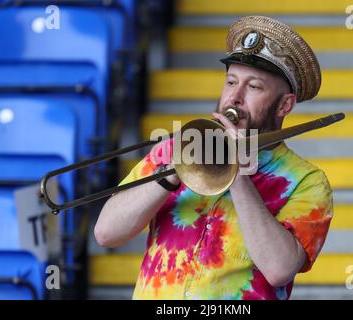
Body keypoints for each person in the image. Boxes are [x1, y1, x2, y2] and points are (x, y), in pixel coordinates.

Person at [94, 15, 333, 300]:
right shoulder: (174, 149)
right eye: (231, 82)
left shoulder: (306, 181)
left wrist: (236, 175)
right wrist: (173, 170)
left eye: (254, 87)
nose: (235, 97)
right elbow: (107, 233)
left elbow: (279, 268)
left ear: (284, 104)